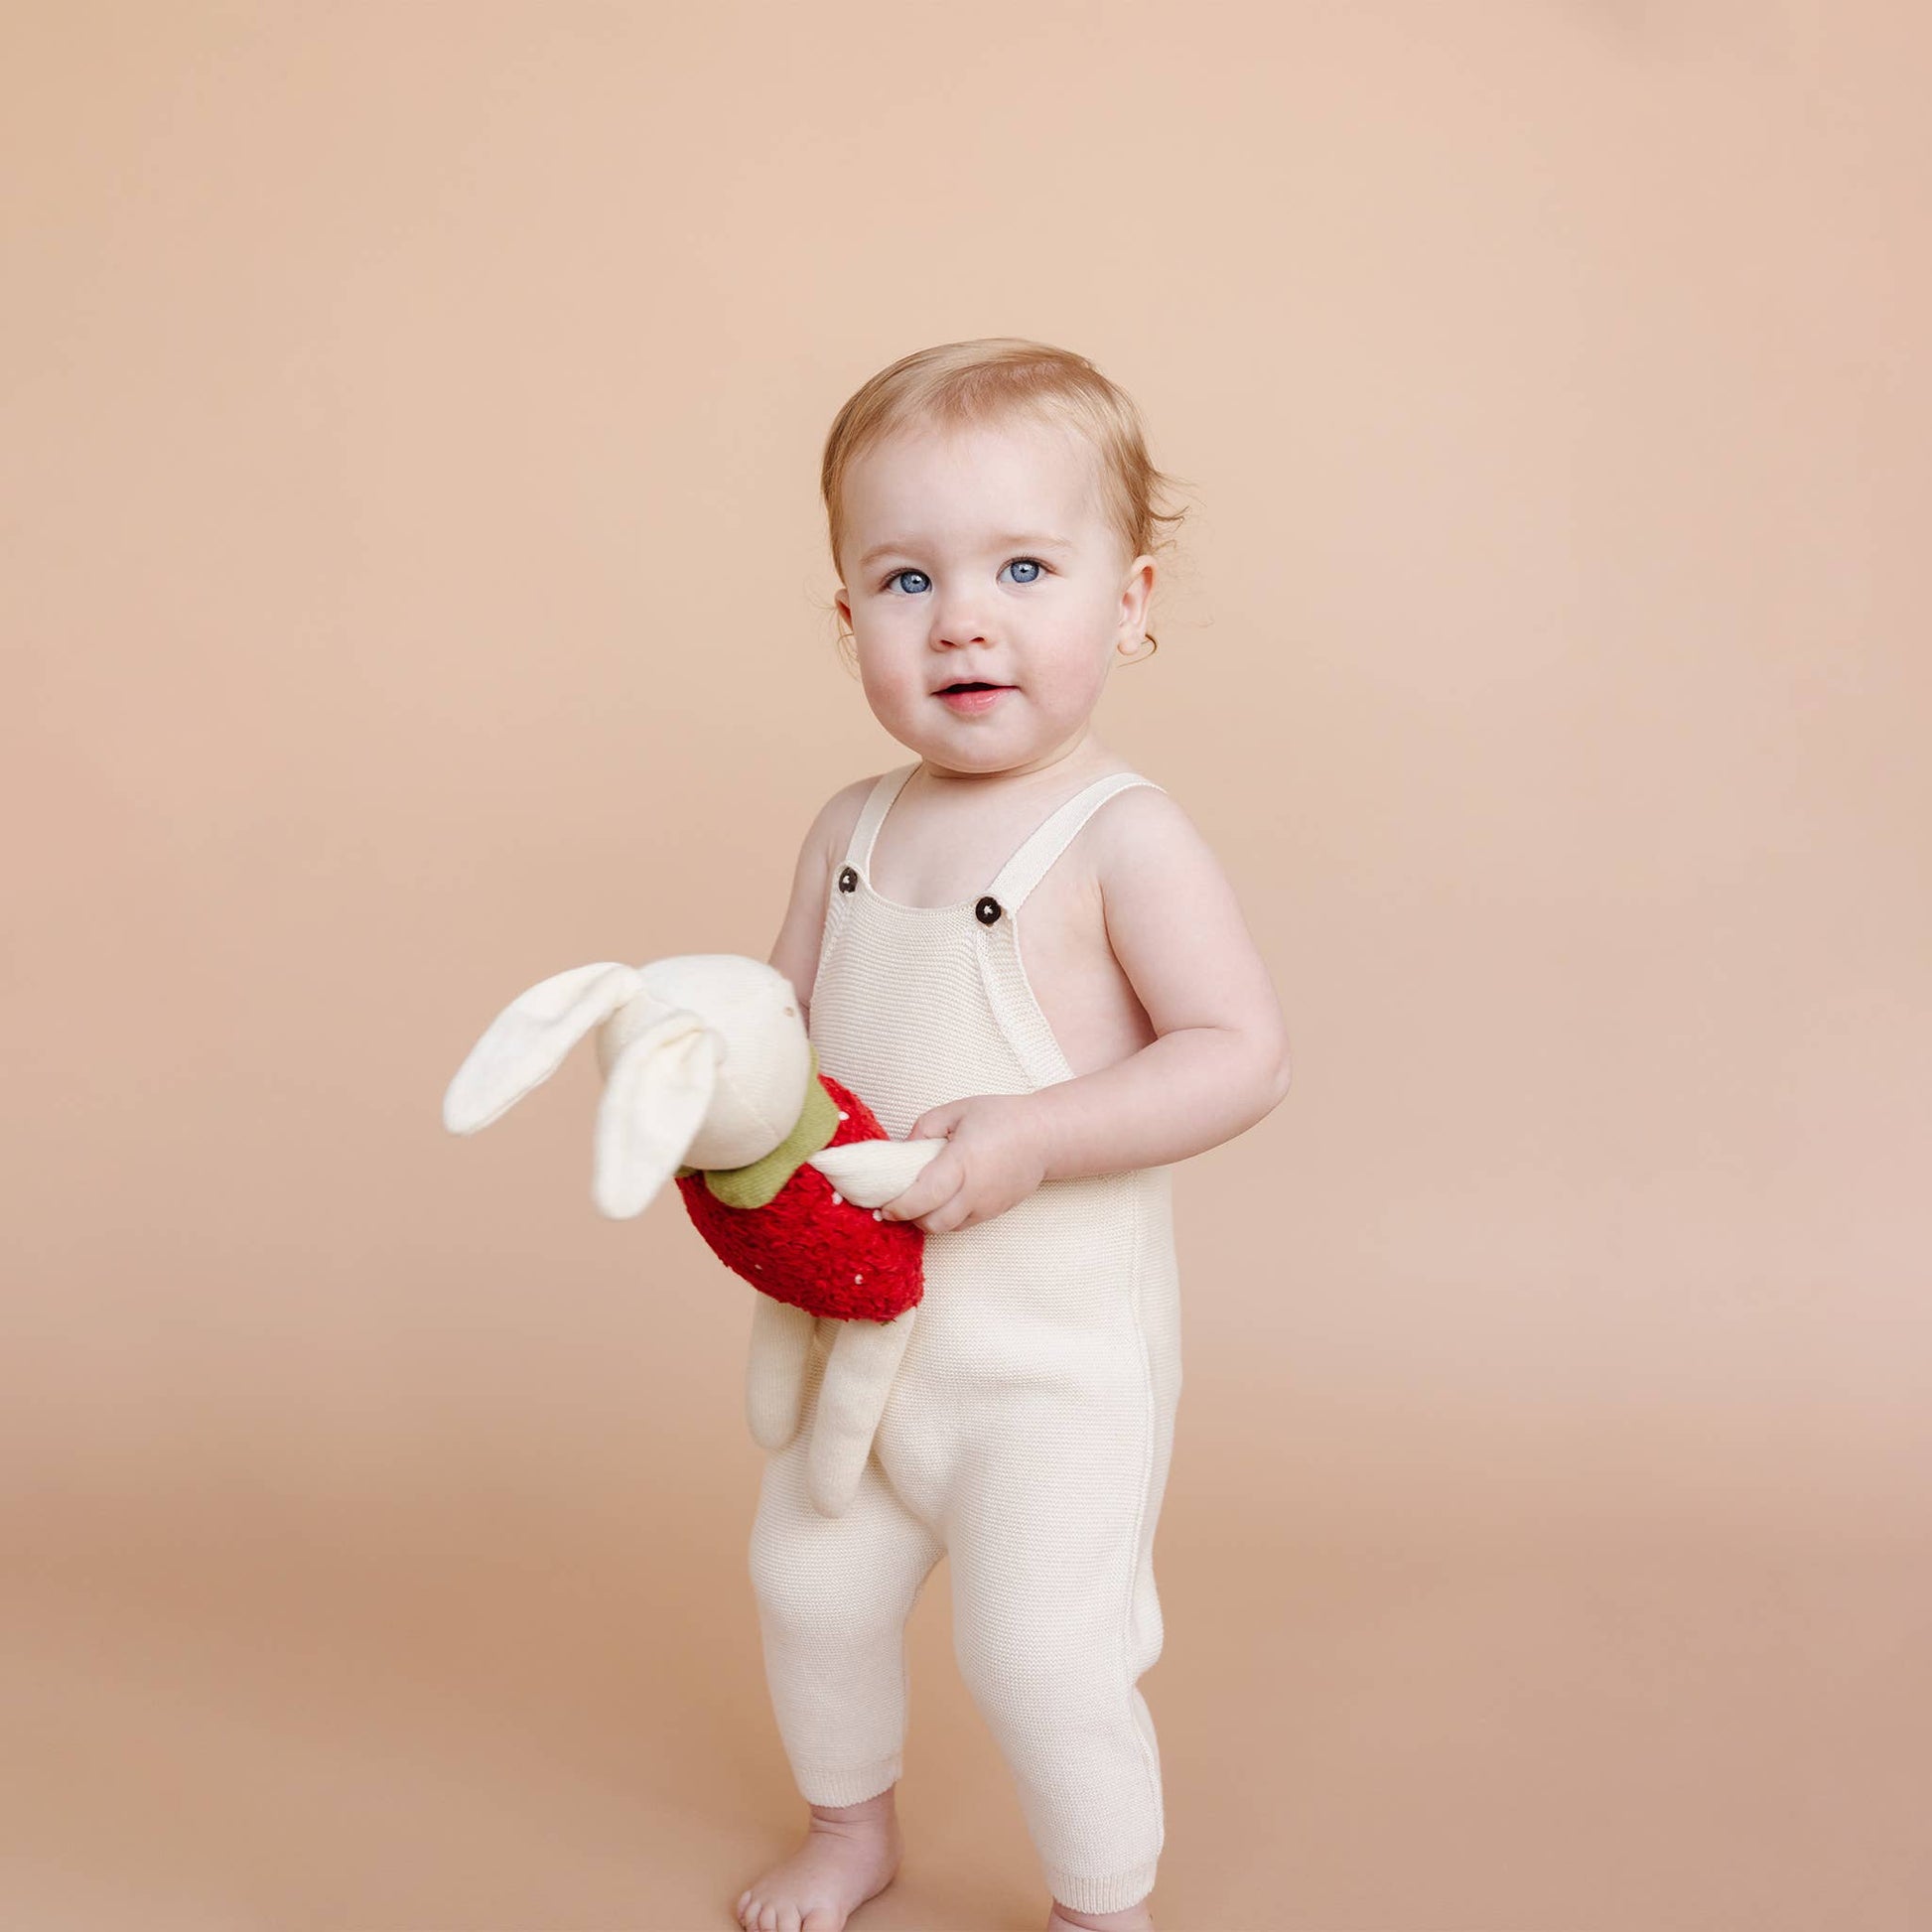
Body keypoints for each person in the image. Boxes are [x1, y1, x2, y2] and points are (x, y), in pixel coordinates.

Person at [734, 338, 1292, 1932]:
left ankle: (1098, 1903)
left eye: (1024, 567)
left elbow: (1239, 1053)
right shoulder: (849, 827)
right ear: (848, 618)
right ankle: (851, 1828)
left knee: (1038, 1651)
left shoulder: (1122, 835)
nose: (962, 617)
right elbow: (781, 1031)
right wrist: (702, 1078)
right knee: (805, 1589)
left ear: (1129, 601)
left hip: (1049, 1372)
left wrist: (1039, 1135)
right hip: (857, 1339)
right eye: (904, 579)